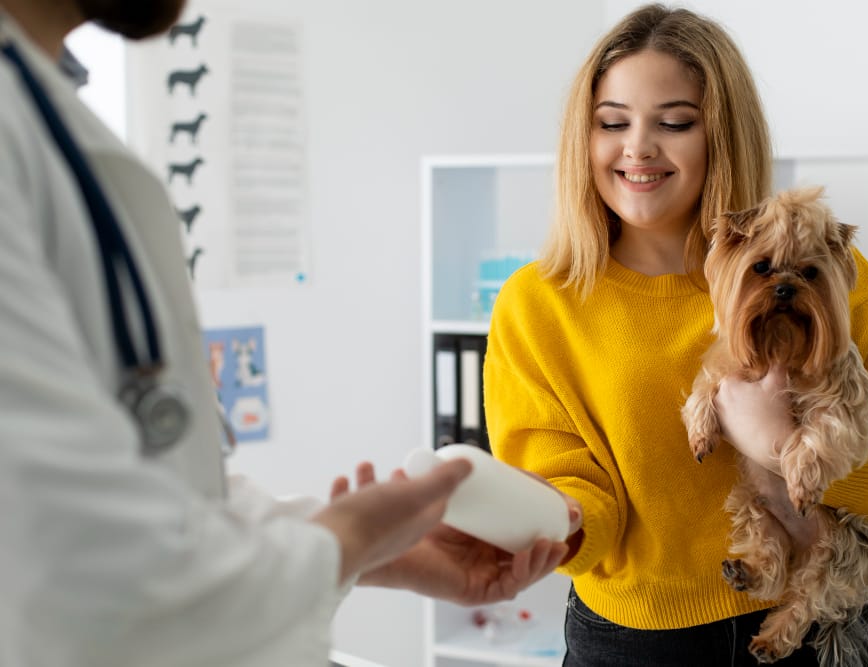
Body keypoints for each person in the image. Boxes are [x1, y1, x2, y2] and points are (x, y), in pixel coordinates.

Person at [0, 1, 574, 666]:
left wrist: (376, 549)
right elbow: (75, 550)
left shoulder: (40, 104)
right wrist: (349, 538)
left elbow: (169, 497)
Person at [482, 4, 868, 666]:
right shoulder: (537, 304)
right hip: (636, 644)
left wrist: (785, 445)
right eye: (612, 122)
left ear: (723, 134)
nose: (637, 147)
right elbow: (573, 492)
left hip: (820, 630)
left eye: (674, 122)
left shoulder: (826, 277)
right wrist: (548, 519)